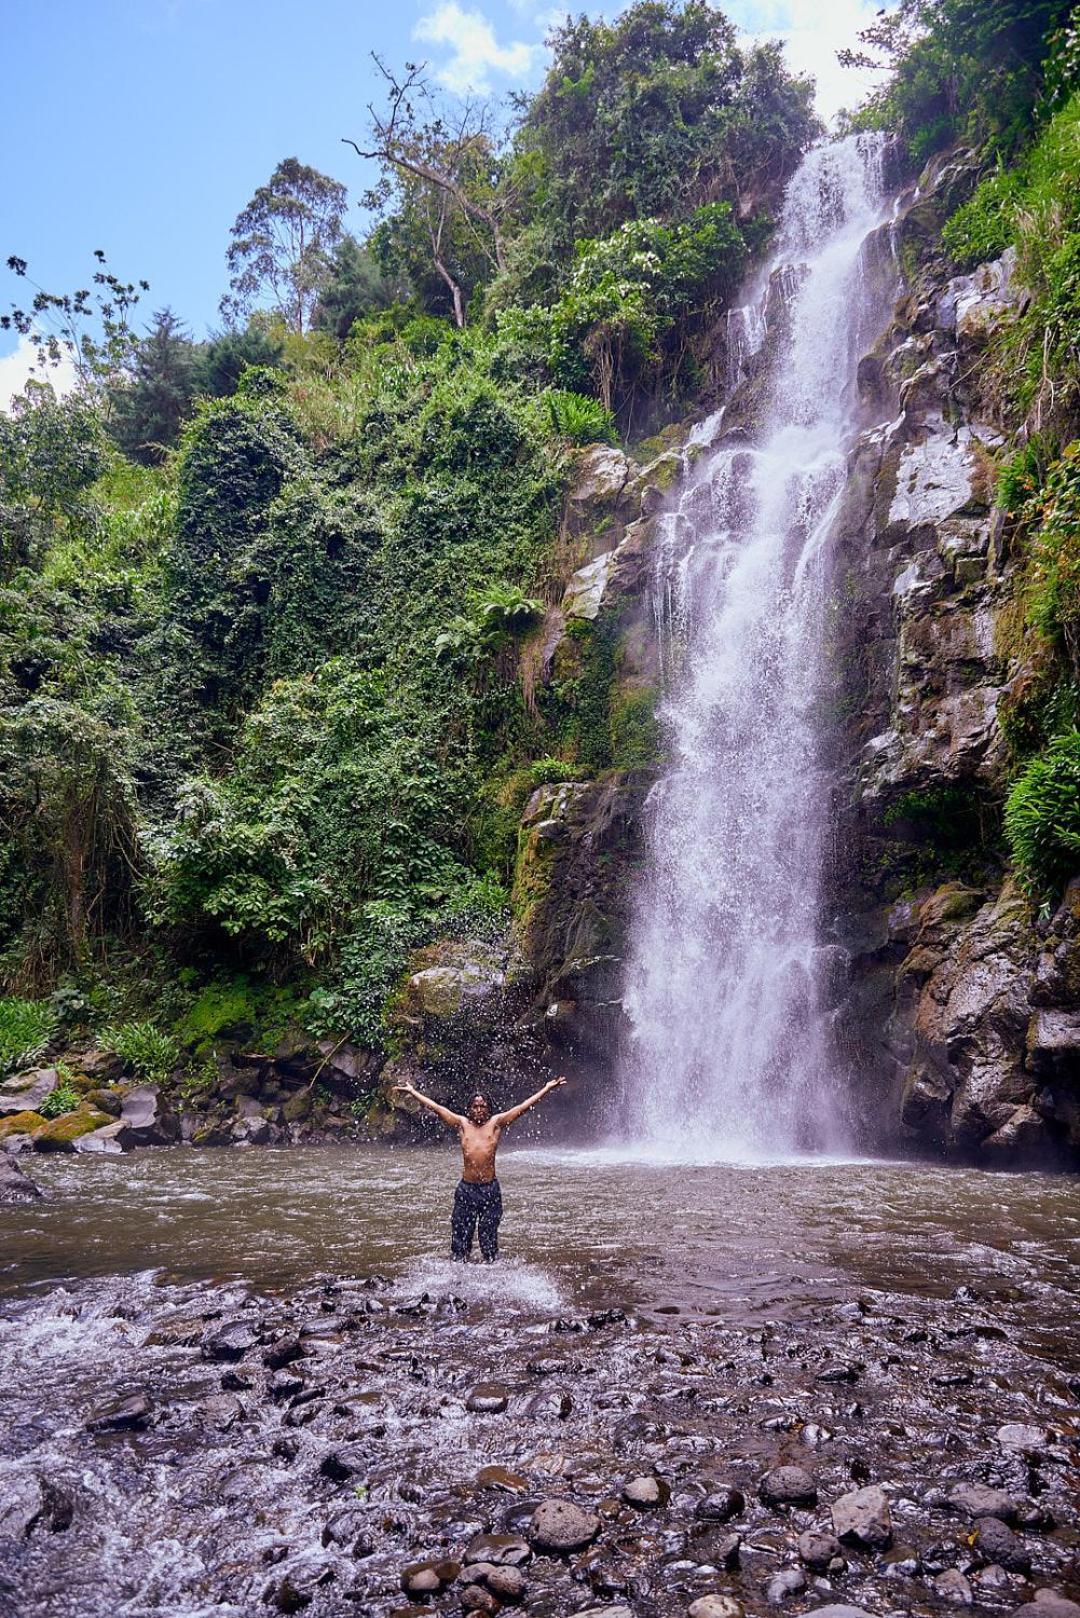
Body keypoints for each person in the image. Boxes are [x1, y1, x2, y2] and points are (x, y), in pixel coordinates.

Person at [391, 1078, 567, 1261]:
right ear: (469, 1109)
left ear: (488, 1108)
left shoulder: (496, 1123)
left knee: (489, 1235)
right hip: (466, 1189)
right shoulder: (462, 1124)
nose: (478, 1110)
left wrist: (546, 1088)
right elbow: (436, 1108)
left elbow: (523, 1107)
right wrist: (413, 1092)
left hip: (489, 1189)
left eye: (482, 1106)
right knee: (460, 1233)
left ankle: (490, 1265)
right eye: (475, 1106)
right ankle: (459, 1266)